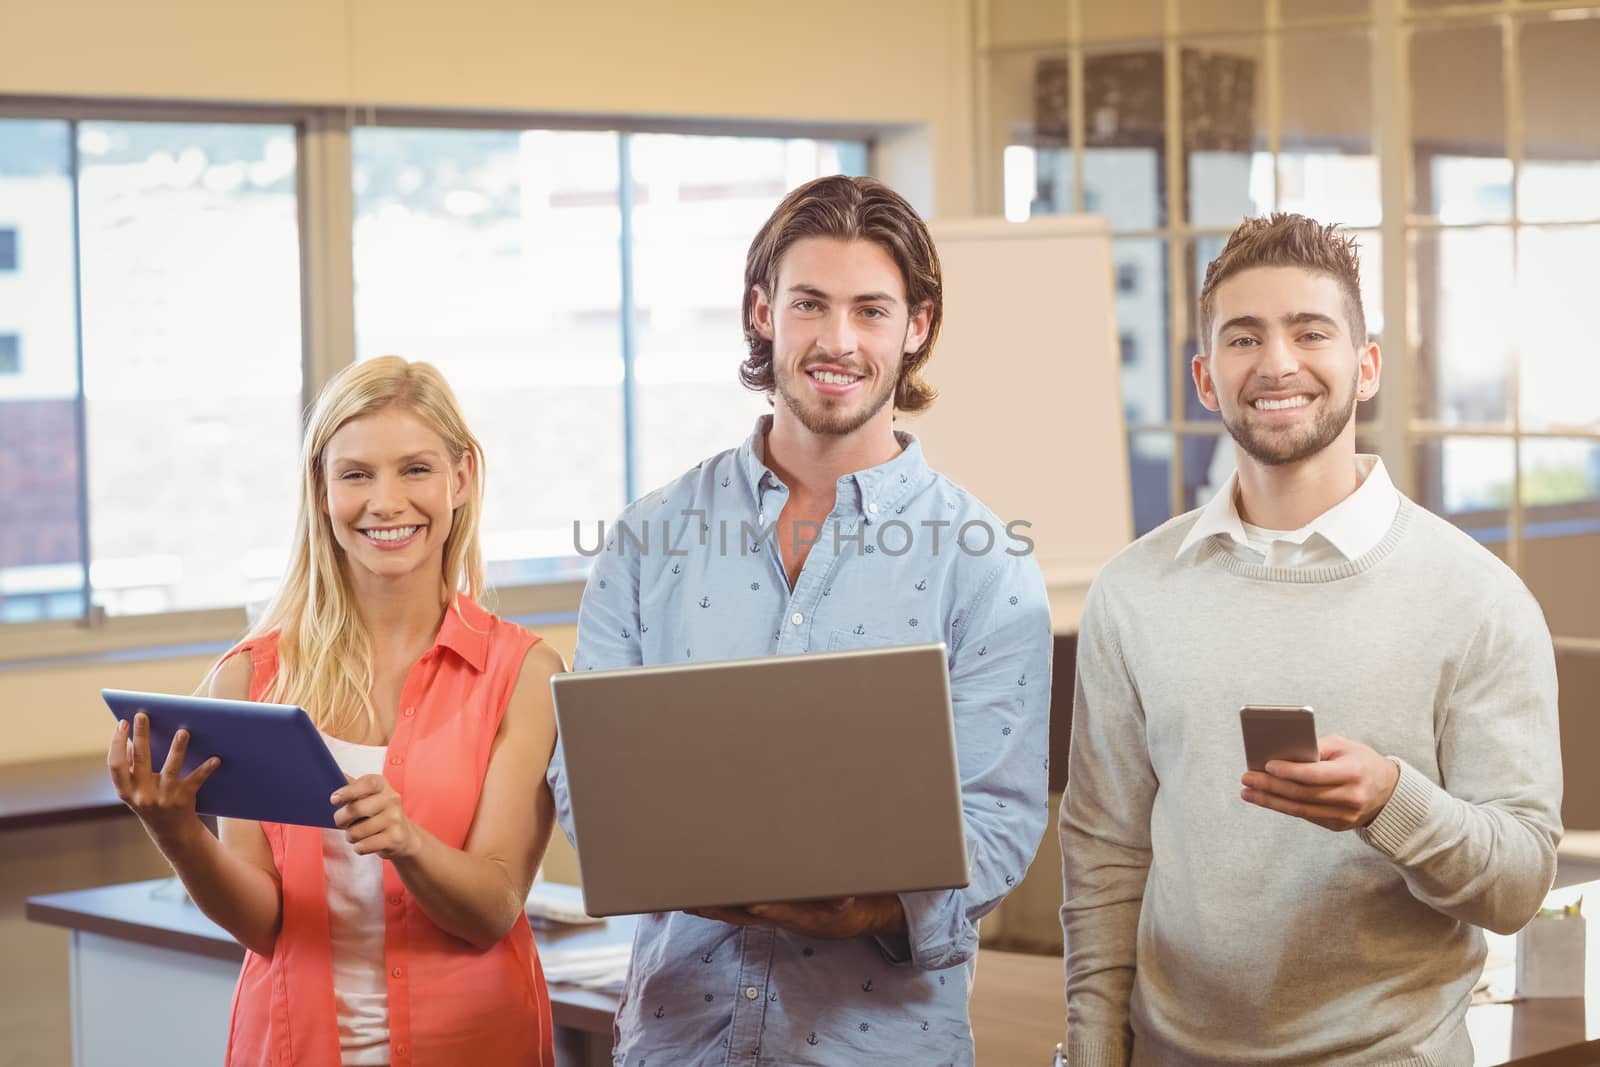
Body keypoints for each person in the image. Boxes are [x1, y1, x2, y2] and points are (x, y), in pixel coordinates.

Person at [547, 174, 1053, 1066]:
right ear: (762, 311)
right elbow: (584, 773)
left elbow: (1001, 816)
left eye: (870, 310)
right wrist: (681, 864)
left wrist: (874, 908)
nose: (838, 340)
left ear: (917, 327)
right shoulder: (647, 538)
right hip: (676, 1042)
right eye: (810, 303)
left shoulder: (984, 561)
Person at [1059, 213, 1563, 1065]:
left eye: (1310, 332)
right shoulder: (1133, 591)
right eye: (1245, 336)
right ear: (1206, 378)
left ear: (1365, 367)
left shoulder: (1479, 600)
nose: (1278, 363)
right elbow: (1106, 855)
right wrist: (1090, 1048)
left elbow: (1517, 883)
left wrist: (1389, 801)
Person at [107, 356, 563, 1067]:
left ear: (462, 478)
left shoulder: (524, 675)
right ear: (321, 490)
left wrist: (407, 842)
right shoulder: (251, 677)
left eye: (415, 469)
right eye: (355, 474)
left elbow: (494, 907)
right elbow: (265, 922)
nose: (386, 502)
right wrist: (175, 833)